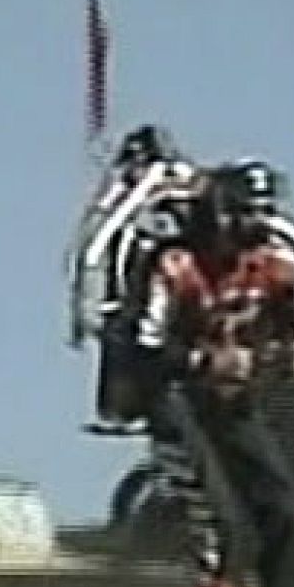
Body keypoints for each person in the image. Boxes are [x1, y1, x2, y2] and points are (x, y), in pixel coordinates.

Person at [126, 158, 294, 587]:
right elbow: (145, 348)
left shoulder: (276, 266)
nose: (249, 234)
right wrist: (200, 361)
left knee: (286, 512)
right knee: (223, 525)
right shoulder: (175, 266)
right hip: (174, 400)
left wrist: (284, 351)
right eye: (241, 218)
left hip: (232, 403)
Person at [65, 123, 200, 427]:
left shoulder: (187, 198)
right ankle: (129, 408)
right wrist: (88, 313)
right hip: (128, 310)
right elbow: (93, 252)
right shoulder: (119, 208)